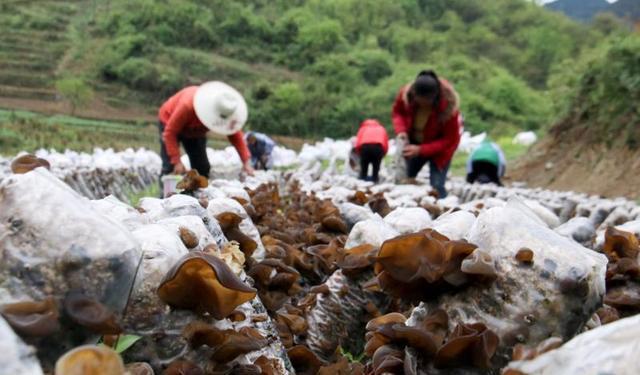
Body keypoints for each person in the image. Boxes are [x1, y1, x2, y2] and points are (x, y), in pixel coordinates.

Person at [158, 81, 254, 184]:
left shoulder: (225, 111)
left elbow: (235, 134)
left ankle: (195, 197)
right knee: (171, 169)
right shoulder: (188, 105)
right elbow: (170, 133)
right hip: (169, 123)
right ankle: (165, 197)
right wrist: (176, 161)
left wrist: (246, 162)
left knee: (202, 169)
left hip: (195, 131)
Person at [392, 70, 463, 198]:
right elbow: (398, 112)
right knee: (405, 180)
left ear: (435, 97)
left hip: (440, 151)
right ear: (414, 95)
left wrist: (421, 149)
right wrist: (401, 130)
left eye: (426, 101)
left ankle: (440, 211)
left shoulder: (448, 106)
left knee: (436, 186)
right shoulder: (406, 95)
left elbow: (449, 139)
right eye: (419, 100)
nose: (422, 104)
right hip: (414, 145)